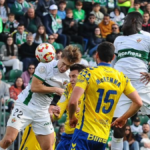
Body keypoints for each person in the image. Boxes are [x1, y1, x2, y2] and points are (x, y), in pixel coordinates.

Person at [0, 45, 81, 150]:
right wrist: (56, 89)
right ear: (60, 57)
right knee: (8, 140)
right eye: (63, 64)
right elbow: (35, 87)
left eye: (68, 66)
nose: (64, 68)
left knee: (48, 147)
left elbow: (65, 95)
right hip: (25, 106)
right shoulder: (45, 64)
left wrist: (57, 107)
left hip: (42, 112)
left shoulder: (67, 76)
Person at [68, 42, 142, 150]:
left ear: (97, 55)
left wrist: (72, 117)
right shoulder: (122, 78)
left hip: (84, 133)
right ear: (113, 57)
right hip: (102, 137)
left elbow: (73, 101)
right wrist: (123, 118)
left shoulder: (87, 73)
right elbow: (138, 103)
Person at [111, 12, 150, 150]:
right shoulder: (118, 39)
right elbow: (113, 63)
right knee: (118, 124)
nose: (123, 23)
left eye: (125, 20)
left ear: (133, 20)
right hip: (122, 87)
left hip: (142, 84)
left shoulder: (147, 37)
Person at [50, 64, 86, 150]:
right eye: (70, 77)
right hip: (67, 133)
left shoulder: (90, 90)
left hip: (82, 134)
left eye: (74, 76)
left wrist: (82, 111)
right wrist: (57, 113)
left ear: (83, 76)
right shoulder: (68, 88)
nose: (71, 80)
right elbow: (61, 105)